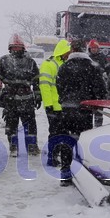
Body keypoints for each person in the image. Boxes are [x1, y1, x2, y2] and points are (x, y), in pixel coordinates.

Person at [55, 39, 107, 186]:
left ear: (71, 50)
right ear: (85, 49)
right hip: (85, 110)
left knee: (67, 139)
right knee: (82, 141)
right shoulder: (92, 67)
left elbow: (59, 86)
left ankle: (65, 174)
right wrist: (95, 100)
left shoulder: (64, 67)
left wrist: (66, 99)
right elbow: (101, 89)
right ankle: (82, 174)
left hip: (67, 109)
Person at [0, 34, 42, 157]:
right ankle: (13, 147)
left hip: (27, 98)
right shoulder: (3, 60)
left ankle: (32, 146)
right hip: (10, 99)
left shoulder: (30, 62)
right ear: (10, 48)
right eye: (14, 47)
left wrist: (38, 95)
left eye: (18, 47)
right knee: (11, 125)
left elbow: (36, 80)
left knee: (30, 125)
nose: (16, 49)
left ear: (23, 48)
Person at [39, 39, 71, 167]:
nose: (68, 54)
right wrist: (48, 105)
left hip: (63, 105)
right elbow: (44, 86)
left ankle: (57, 155)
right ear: (62, 52)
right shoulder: (49, 65)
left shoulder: (66, 64)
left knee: (62, 133)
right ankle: (52, 158)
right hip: (53, 106)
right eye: (67, 52)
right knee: (54, 133)